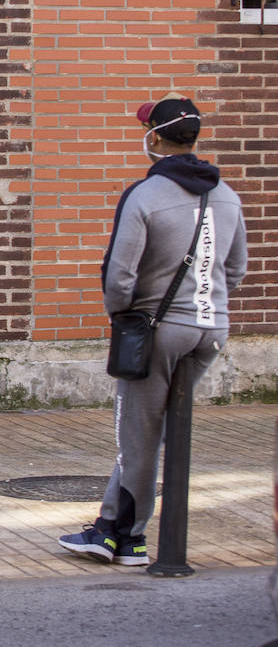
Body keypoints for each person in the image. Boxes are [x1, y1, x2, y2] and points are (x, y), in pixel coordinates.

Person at [59, 93, 248, 566]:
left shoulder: (145, 195)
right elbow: (236, 268)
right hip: (212, 327)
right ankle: (113, 528)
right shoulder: (226, 194)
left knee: (139, 435)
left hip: (158, 328)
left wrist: (123, 316)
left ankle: (126, 537)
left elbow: (119, 274)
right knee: (159, 431)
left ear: (155, 139)